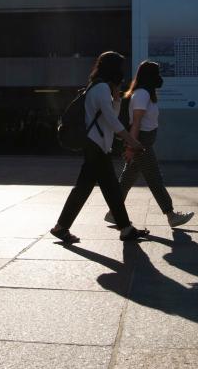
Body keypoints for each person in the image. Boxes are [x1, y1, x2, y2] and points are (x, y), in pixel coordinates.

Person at [51, 51, 149, 243]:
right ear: (113, 68)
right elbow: (112, 120)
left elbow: (110, 114)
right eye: (120, 67)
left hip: (98, 146)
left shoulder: (101, 88)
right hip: (95, 145)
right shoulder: (100, 87)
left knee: (101, 188)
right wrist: (132, 141)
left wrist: (117, 97)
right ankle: (124, 228)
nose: (122, 71)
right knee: (103, 187)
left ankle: (62, 227)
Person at [103, 61, 194, 228]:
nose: (160, 77)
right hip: (141, 143)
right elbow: (136, 123)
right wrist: (131, 147)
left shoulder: (145, 94)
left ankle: (113, 213)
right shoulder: (142, 94)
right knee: (154, 178)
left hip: (142, 141)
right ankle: (171, 215)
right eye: (157, 73)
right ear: (150, 76)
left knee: (127, 179)